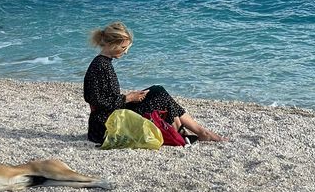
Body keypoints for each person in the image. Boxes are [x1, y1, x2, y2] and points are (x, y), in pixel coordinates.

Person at [83, 21, 225, 145]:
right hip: (104, 126)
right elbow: (95, 100)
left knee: (157, 90)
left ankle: (188, 130)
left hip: (112, 115)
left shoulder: (104, 63)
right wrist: (128, 98)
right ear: (112, 44)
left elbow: (104, 98)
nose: (125, 52)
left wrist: (129, 98)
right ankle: (196, 132)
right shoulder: (100, 65)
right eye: (123, 48)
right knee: (159, 95)